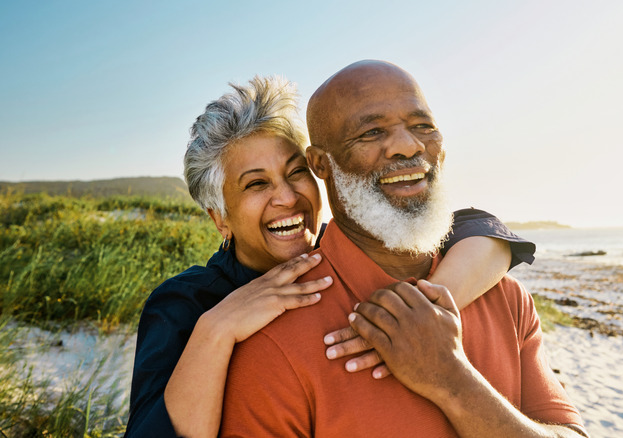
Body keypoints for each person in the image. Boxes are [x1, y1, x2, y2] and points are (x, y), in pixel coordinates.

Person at [126, 76, 535, 437]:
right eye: (255, 185)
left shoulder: (348, 248)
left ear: (319, 169)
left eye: (295, 172)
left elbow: (478, 227)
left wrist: (425, 308)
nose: (287, 198)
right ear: (220, 219)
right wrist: (217, 329)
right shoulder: (186, 304)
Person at [219, 61, 588, 437]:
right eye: (372, 131)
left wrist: (452, 380)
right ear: (320, 163)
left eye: (423, 126)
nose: (408, 146)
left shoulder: (506, 299)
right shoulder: (272, 342)